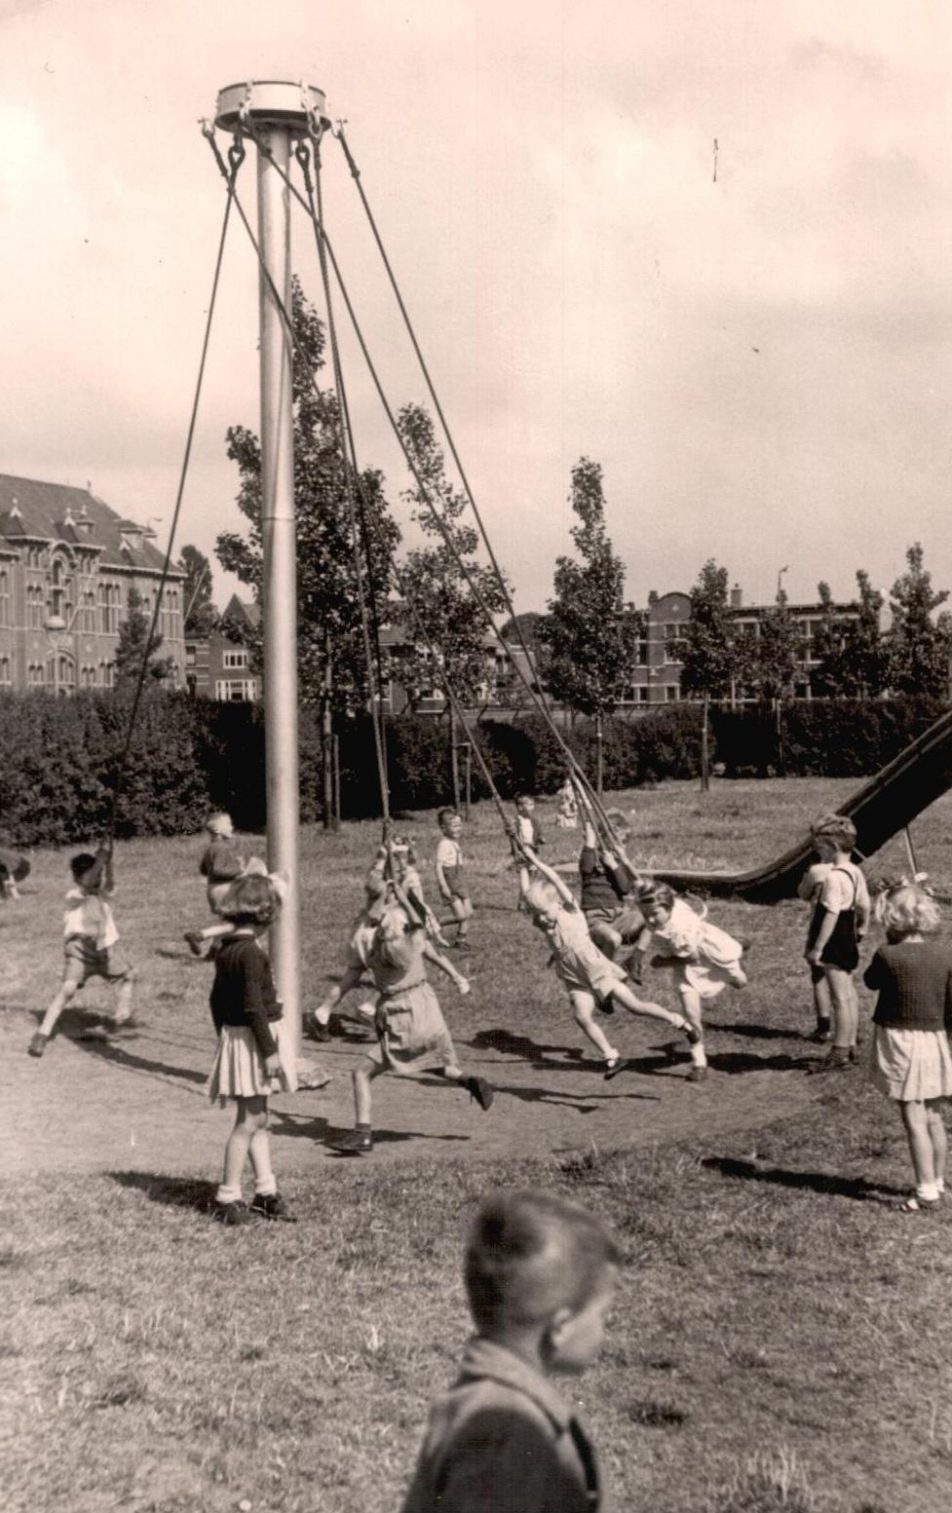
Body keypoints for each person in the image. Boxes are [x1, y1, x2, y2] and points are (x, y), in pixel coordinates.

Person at [400, 1188, 618, 1513]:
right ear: (560, 1327)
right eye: (601, 1315)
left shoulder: (499, 1408)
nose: (604, 1328)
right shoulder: (506, 1431)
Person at [516, 842, 700, 1074]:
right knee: (582, 1017)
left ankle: (679, 1022)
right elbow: (527, 898)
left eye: (544, 912)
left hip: (597, 969)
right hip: (573, 976)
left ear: (558, 903)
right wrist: (522, 867)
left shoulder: (572, 911)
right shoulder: (545, 925)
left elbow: (555, 880)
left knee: (635, 1006)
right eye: (537, 915)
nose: (541, 919)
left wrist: (534, 860)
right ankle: (611, 1056)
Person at [333, 892, 491, 1155]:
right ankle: (468, 1080)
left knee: (361, 1073)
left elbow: (365, 928)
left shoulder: (376, 952)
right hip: (427, 1007)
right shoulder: (415, 943)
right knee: (425, 1058)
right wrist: (403, 901)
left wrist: (378, 901)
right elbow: (418, 923)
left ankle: (362, 1133)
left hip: (402, 1015)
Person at [207, 870, 297, 1225]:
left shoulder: (227, 950)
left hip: (237, 1038)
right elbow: (253, 1006)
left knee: (259, 1117)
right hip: (256, 1039)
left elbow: (215, 1000)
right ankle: (227, 1196)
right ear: (266, 916)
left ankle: (265, 1191)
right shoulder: (251, 954)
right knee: (250, 1120)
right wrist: (269, 1050)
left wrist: (225, 1038)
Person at [864, 881, 952, 1213]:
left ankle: (926, 1190)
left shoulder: (888, 955)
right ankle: (939, 1180)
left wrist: (889, 946)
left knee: (913, 1116)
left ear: (891, 919)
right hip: (935, 1039)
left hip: (901, 1040)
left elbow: (871, 981)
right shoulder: (944, 955)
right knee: (933, 1116)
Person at [629, 882, 748, 1084]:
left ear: (668, 908)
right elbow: (648, 920)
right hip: (685, 967)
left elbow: (691, 957)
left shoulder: (679, 927)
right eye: (645, 913)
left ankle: (735, 947)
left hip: (707, 955)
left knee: (740, 982)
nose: (649, 919)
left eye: (654, 913)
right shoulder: (655, 912)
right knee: (691, 1015)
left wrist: (662, 962)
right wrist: (637, 955)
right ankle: (699, 1062)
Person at [29, 843, 135, 1058]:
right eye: (93, 875)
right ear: (78, 878)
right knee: (67, 990)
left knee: (129, 975)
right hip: (78, 950)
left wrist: (109, 862)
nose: (98, 879)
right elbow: (87, 885)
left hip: (103, 950)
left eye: (99, 875)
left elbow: (110, 882)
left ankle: (121, 1013)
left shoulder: (104, 894)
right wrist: (100, 861)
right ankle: (42, 1033)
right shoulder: (73, 896)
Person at [804, 814, 871, 1073]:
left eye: (818, 848)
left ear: (831, 847)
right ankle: (851, 1043)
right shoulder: (855, 871)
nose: (817, 853)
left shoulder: (833, 877)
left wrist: (818, 947)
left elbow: (830, 914)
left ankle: (840, 1051)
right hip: (849, 935)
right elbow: (865, 903)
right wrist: (863, 928)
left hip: (834, 938)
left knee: (839, 998)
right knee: (849, 994)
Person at [184, 811, 250, 959]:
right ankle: (198, 936)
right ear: (217, 829)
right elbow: (218, 869)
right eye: (228, 824)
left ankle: (213, 953)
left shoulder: (211, 847)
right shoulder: (221, 847)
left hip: (213, 889)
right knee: (236, 923)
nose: (232, 827)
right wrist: (239, 870)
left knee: (225, 921)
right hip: (223, 889)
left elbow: (203, 869)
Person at [578, 820, 641, 962]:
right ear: (604, 840)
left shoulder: (616, 863)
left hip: (618, 916)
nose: (622, 848)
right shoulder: (591, 856)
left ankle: (633, 956)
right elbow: (585, 870)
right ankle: (604, 969)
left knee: (648, 916)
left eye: (624, 843)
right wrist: (590, 842)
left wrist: (614, 865)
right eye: (619, 843)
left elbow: (625, 888)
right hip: (596, 918)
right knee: (613, 938)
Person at [797, 859, 834, 1042]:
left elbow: (803, 893)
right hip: (844, 927)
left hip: (820, 925)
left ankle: (824, 1026)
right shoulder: (851, 870)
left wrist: (806, 876)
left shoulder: (817, 870)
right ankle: (848, 1032)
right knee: (844, 978)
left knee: (818, 976)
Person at [435, 807, 473, 951]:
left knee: (468, 913)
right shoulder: (443, 844)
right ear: (444, 828)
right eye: (455, 826)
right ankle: (435, 923)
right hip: (450, 882)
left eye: (460, 825)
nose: (459, 829)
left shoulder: (454, 842)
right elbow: (438, 867)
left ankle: (460, 940)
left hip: (459, 880)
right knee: (461, 915)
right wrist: (443, 886)